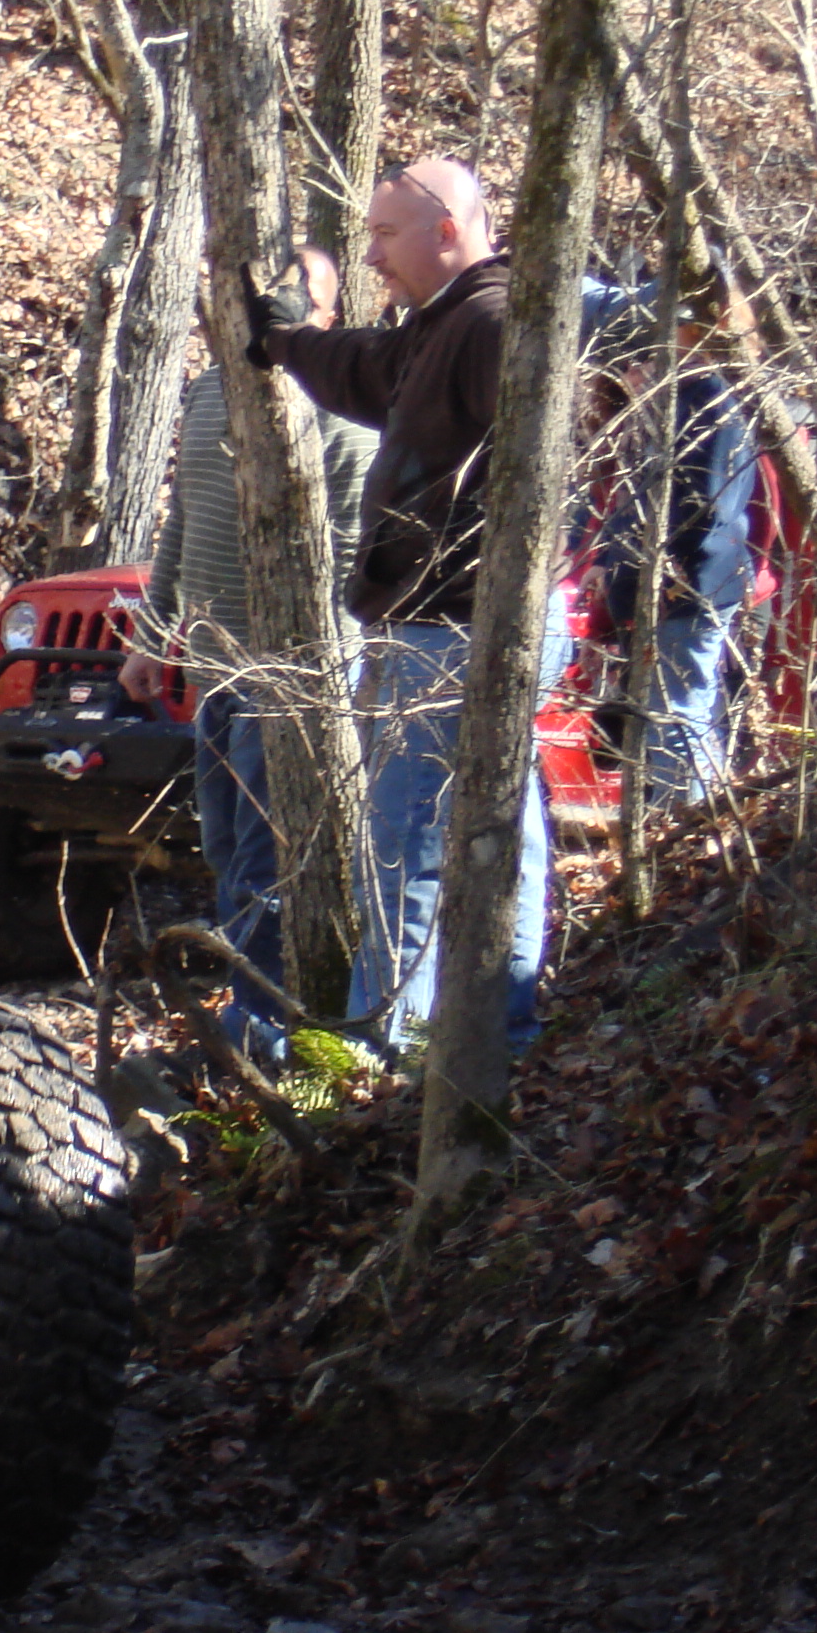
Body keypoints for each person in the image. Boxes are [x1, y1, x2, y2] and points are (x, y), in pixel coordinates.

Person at [251, 157, 549, 1059]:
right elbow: (368, 370)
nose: (372, 255)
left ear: (447, 231)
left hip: (458, 628)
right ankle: (498, 1041)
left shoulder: (495, 324)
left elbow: (546, 471)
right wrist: (286, 340)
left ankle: (379, 1059)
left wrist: (488, 598)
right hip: (445, 624)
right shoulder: (444, 325)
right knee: (504, 836)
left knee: (407, 843)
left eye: (385, 235)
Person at [120, 247, 376, 1063]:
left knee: (269, 863)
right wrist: (152, 638)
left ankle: (265, 1037)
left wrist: (325, 668)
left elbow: (354, 548)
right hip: (215, 668)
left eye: (302, 298)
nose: (277, 310)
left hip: (294, 676)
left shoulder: (342, 405)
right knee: (227, 853)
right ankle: (247, 1025)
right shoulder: (206, 392)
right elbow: (183, 520)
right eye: (266, 296)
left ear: (329, 315)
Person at [577, 273, 760, 806]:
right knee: (659, 716)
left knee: (678, 716)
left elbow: (703, 504)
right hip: (659, 586)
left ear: (700, 331)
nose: (655, 340)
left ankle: (689, 824)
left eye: (671, 326)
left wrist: (649, 562)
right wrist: (608, 557)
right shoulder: (674, 399)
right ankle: (669, 821)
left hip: (688, 588)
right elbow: (636, 494)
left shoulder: (713, 400)